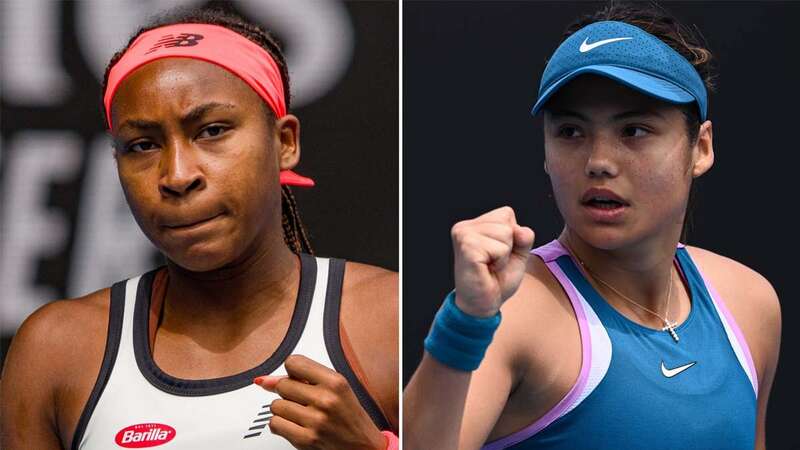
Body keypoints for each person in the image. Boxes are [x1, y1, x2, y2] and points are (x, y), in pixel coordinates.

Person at [0, 7, 398, 450]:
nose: (176, 175)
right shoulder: (56, 351)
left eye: (210, 130)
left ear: (285, 142)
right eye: (143, 145)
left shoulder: (388, 318)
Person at [404, 3, 780, 449]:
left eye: (634, 131)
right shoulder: (515, 314)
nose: (599, 162)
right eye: (570, 132)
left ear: (700, 148)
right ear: (545, 151)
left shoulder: (750, 303)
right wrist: (465, 324)